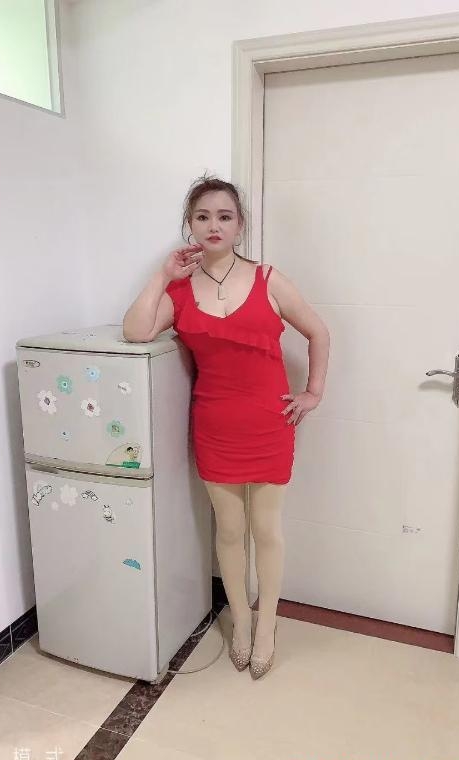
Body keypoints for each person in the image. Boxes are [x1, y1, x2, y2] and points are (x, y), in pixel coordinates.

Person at [123, 172, 330, 679]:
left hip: (269, 423)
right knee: (230, 530)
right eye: (202, 216)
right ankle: (240, 623)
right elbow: (135, 332)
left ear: (240, 225)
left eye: (224, 216)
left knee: (266, 529)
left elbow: (319, 332)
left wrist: (313, 392)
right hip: (214, 424)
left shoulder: (268, 279)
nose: (213, 225)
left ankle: (267, 625)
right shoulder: (178, 290)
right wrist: (161, 275)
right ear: (190, 225)